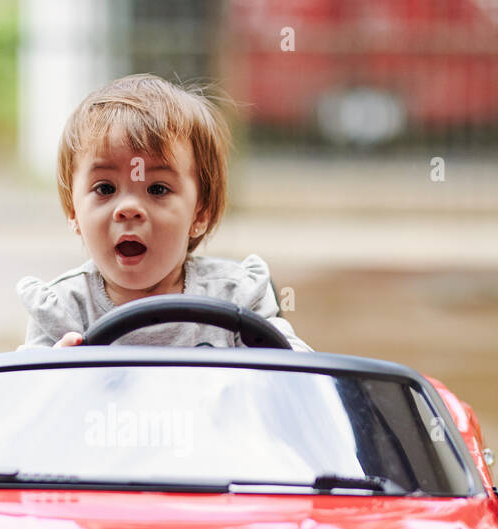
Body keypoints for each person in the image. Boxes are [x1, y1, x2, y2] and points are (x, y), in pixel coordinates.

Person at [16, 73, 311, 351]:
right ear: (73, 211)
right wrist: (51, 374)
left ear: (200, 213)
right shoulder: (62, 308)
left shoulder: (237, 297)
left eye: (157, 189)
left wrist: (278, 361)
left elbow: (302, 377)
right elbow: (21, 396)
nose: (128, 209)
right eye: (105, 188)